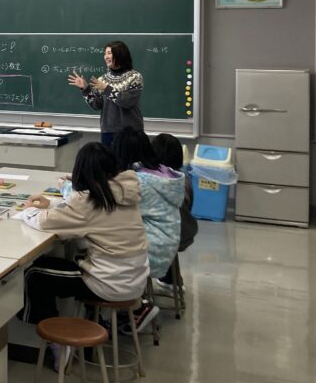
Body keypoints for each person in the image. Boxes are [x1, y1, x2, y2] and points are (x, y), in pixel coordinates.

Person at [18, 142, 148, 367]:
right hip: (135, 279)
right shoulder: (123, 192)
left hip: (108, 283)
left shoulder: (91, 199)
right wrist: (55, 204)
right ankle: (92, 320)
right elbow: (84, 217)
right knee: (64, 259)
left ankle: (57, 343)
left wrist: (28, 210)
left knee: (34, 274)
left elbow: (46, 222)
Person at [112, 127, 186, 330]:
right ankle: (132, 303)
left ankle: (135, 307)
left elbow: (105, 202)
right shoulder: (161, 173)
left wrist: (70, 186)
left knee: (97, 247)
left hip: (150, 251)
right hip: (166, 244)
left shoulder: (138, 182)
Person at [67, 40, 143, 146]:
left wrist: (106, 89)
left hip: (131, 132)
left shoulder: (135, 77)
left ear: (120, 55)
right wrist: (85, 89)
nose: (106, 57)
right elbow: (97, 105)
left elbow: (128, 102)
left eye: (109, 53)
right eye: (105, 53)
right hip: (108, 132)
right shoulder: (102, 79)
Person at [151, 132, 197, 292]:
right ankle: (171, 279)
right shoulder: (184, 178)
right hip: (183, 233)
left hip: (162, 236)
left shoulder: (152, 180)